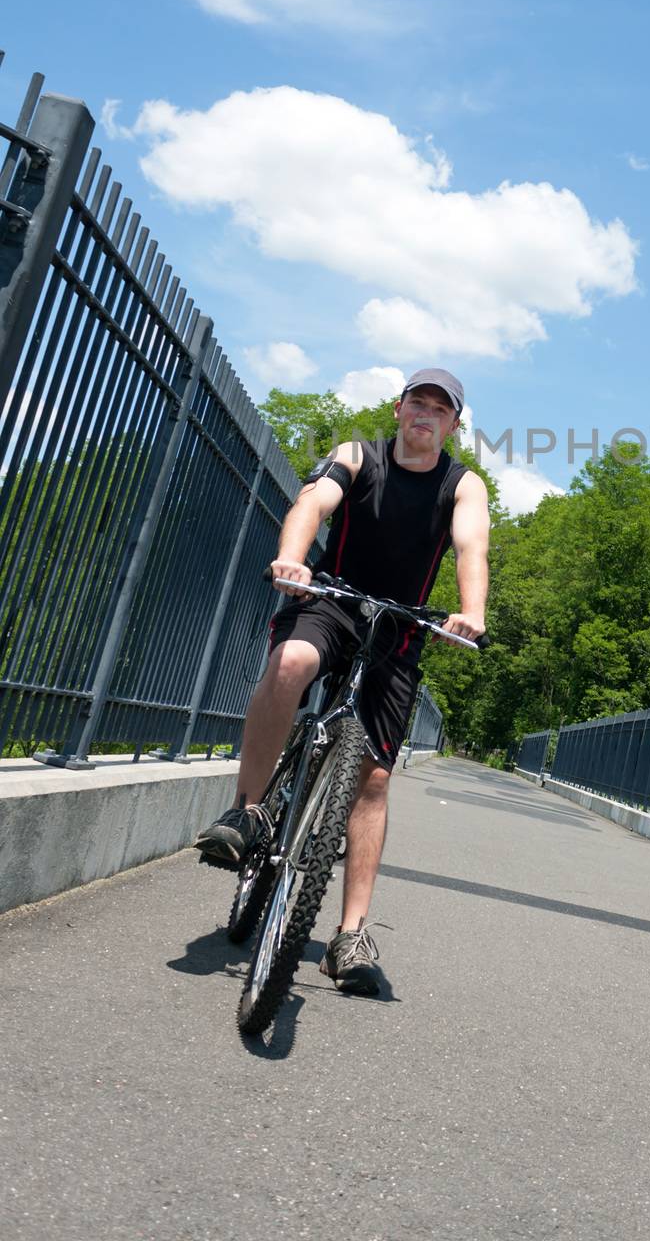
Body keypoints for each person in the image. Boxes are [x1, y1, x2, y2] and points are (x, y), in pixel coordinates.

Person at [194, 367, 490, 995]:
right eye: (418, 403)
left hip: (400, 626)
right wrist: (294, 559)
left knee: (374, 778)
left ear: (453, 425)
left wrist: (472, 613)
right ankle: (247, 814)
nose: (426, 415)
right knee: (293, 663)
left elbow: (471, 548)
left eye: (440, 409)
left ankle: (349, 935)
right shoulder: (358, 455)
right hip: (329, 599)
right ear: (398, 408)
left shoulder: (464, 485)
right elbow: (313, 502)